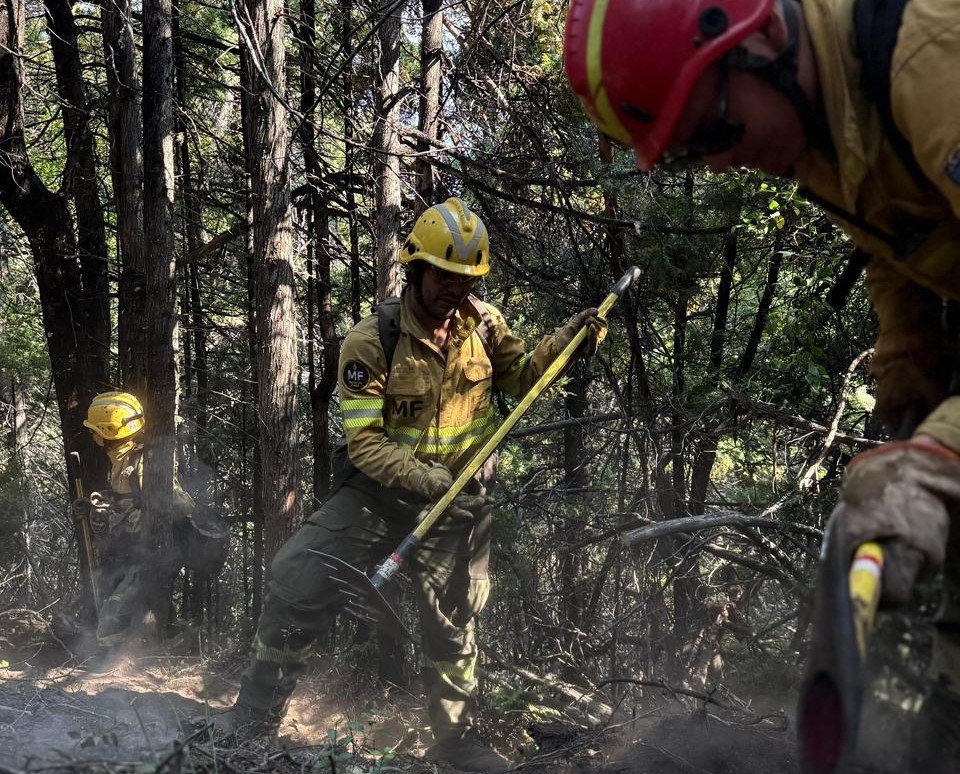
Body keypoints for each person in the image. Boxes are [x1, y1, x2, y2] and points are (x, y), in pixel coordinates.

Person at [563, 0, 960, 765]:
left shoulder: (929, 62)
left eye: (712, 131)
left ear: (766, 36)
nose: (714, 164)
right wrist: (909, 347)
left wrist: (939, 458)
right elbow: (894, 232)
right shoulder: (819, 117)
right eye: (690, 154)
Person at [214, 197, 605, 772]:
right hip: (379, 495)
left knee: (452, 620)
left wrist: (567, 342)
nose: (456, 290)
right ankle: (253, 715)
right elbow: (366, 442)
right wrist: (423, 478)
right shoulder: (371, 341)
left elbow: (523, 377)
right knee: (297, 576)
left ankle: (456, 744)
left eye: (467, 279)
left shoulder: (486, 325)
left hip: (460, 501)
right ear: (416, 269)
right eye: (445, 276)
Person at [73, 391, 195, 660]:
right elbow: (125, 497)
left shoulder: (140, 464)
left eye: (96, 430)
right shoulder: (121, 460)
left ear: (108, 431)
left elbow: (182, 506)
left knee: (114, 617)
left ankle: (125, 667)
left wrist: (150, 521)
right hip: (130, 547)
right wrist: (99, 503)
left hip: (151, 551)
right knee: (108, 602)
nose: (93, 435)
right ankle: (158, 649)